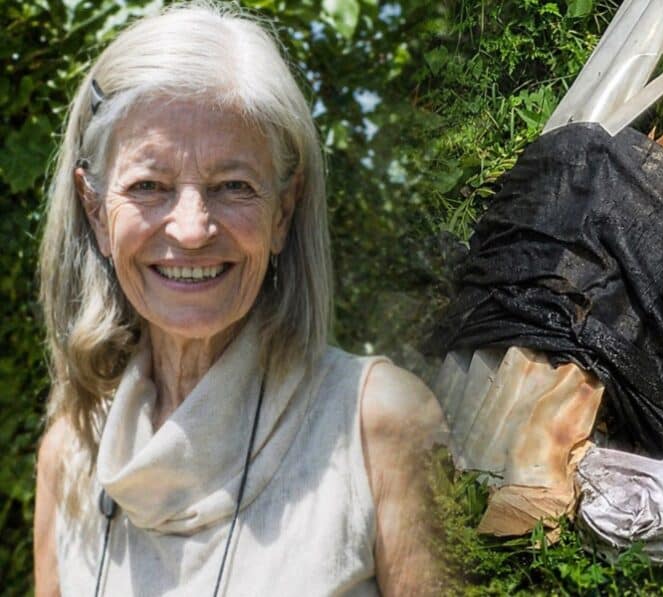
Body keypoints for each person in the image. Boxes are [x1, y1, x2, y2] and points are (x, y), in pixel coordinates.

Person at [33, 3, 445, 596]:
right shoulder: (70, 455)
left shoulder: (378, 425)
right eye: (149, 186)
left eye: (233, 186)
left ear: (283, 211)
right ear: (96, 212)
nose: (192, 229)